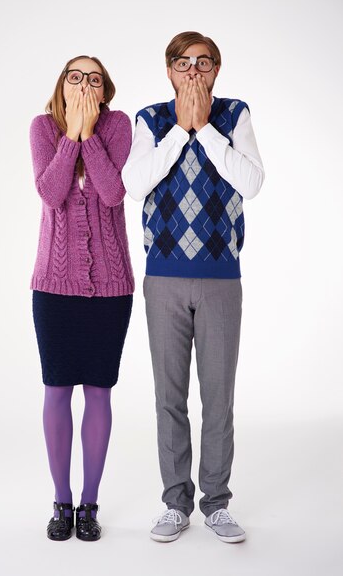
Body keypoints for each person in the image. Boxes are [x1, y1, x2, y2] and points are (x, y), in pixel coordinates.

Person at [122, 32, 264, 544]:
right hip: (162, 277)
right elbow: (134, 183)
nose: (193, 71)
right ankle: (175, 502)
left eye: (203, 63)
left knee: (219, 396)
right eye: (183, 63)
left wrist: (204, 130)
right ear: (169, 70)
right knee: (169, 395)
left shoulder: (235, 115)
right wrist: (181, 130)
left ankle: (217, 503)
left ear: (216, 70)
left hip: (222, 277)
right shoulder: (150, 119)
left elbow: (250, 182)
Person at [30, 55, 134, 542]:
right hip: (54, 285)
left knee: (98, 391)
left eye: (95, 78)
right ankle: (61, 501)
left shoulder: (116, 125)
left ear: (105, 89)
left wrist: (89, 131)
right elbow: (51, 192)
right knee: (56, 391)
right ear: (61, 84)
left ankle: (89, 504)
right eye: (76, 76)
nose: (85, 83)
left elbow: (112, 193)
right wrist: (70, 132)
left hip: (111, 287)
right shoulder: (41, 128)